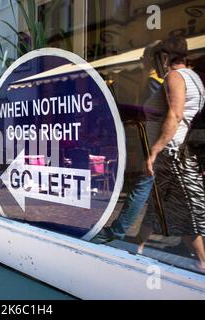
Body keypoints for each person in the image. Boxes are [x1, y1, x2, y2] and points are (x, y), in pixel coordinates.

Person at [138, 37, 205, 272]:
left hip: (172, 152)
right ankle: (138, 246)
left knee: (183, 211)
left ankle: (203, 262)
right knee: (158, 205)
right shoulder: (194, 77)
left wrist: (154, 151)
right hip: (178, 152)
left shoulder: (175, 77)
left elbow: (175, 115)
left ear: (165, 57)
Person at [97, 41, 163, 241]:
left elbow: (151, 113)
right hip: (155, 141)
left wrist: (122, 111)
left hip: (153, 142)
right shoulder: (159, 79)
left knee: (143, 186)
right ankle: (142, 240)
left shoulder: (154, 81)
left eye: (144, 57)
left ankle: (119, 230)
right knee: (157, 192)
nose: (142, 61)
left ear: (151, 58)